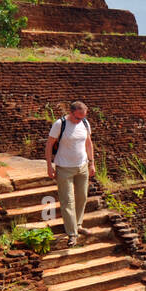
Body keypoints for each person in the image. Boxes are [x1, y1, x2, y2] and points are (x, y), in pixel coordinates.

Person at [45, 100, 97, 247]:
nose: (80, 120)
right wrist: (49, 166)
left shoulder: (85, 124)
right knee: (67, 201)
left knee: (82, 197)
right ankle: (72, 233)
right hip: (64, 167)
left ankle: (78, 224)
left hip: (82, 166)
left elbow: (88, 143)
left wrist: (92, 162)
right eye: (78, 117)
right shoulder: (60, 124)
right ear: (71, 113)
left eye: (83, 117)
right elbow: (49, 145)